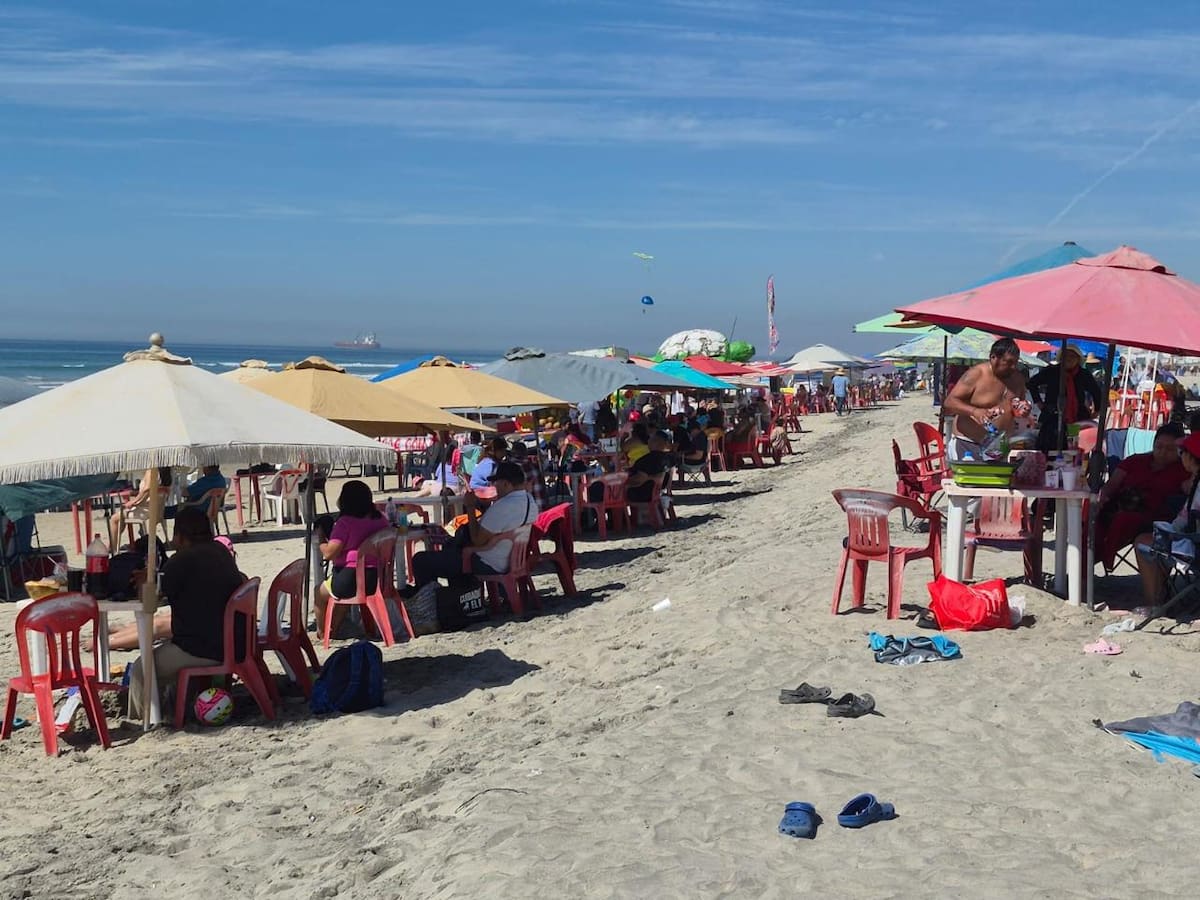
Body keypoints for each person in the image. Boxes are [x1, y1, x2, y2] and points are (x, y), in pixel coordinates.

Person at [128, 507, 246, 720]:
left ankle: (143, 720)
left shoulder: (182, 561)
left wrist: (144, 582)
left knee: (141, 669)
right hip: (235, 641)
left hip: (204, 648)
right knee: (164, 656)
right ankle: (170, 706)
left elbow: (150, 602)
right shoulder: (220, 551)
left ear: (180, 536)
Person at [409, 461, 537, 588]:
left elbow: (477, 540)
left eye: (496, 483)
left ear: (506, 484)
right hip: (511, 560)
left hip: (488, 561)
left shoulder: (503, 507)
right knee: (449, 551)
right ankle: (456, 595)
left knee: (421, 560)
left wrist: (470, 507)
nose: (494, 487)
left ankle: (432, 601)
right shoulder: (530, 501)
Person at [1096, 423, 1187, 572]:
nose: (1163, 452)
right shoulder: (1135, 460)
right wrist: (1102, 495)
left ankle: (1105, 556)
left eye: (1170, 449)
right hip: (1120, 505)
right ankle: (1082, 569)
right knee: (1094, 516)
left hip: (1156, 517)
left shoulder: (1183, 469)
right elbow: (1111, 484)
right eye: (1159, 446)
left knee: (1124, 519)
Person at [313, 480, 391, 638]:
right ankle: (333, 629)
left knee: (319, 592)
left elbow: (329, 553)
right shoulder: (381, 519)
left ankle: (323, 632)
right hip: (377, 579)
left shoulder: (345, 523)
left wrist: (321, 538)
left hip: (350, 579)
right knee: (343, 596)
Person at [1131, 432, 1200, 609]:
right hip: (1193, 540)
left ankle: (1155, 604)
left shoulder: (1197, 487)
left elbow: (1182, 522)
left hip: (1195, 547)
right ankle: (1162, 595)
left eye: (1181, 453)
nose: (1179, 457)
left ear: (1191, 458)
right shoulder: (1195, 482)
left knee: (1143, 542)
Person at [941, 338, 1028, 462]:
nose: (1013, 367)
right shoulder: (976, 374)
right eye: (1008, 362)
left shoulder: (1017, 378)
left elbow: (1018, 407)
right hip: (968, 445)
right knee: (970, 481)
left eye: (1015, 362)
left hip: (999, 447)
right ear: (993, 357)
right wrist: (975, 411)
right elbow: (949, 402)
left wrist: (1022, 410)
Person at [1027, 345, 1102, 452]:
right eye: (1066, 356)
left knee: (1074, 448)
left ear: (1078, 359)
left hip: (1077, 417)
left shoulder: (1083, 374)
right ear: (1061, 358)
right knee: (1049, 449)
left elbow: (1096, 391)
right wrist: (1038, 402)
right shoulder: (1051, 371)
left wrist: (1097, 410)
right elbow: (1031, 383)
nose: (1069, 359)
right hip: (1052, 415)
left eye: (1073, 356)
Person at [109, 467, 173, 550]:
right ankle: (114, 544)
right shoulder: (165, 474)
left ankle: (112, 546)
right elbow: (152, 491)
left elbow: (147, 489)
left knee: (115, 518)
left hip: (145, 511)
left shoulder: (151, 471)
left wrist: (134, 501)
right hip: (157, 511)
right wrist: (137, 496)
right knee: (121, 517)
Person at [508, 441, 547, 511]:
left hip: (515, 511)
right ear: (526, 453)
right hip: (533, 510)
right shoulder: (532, 468)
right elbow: (539, 497)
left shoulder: (506, 468)